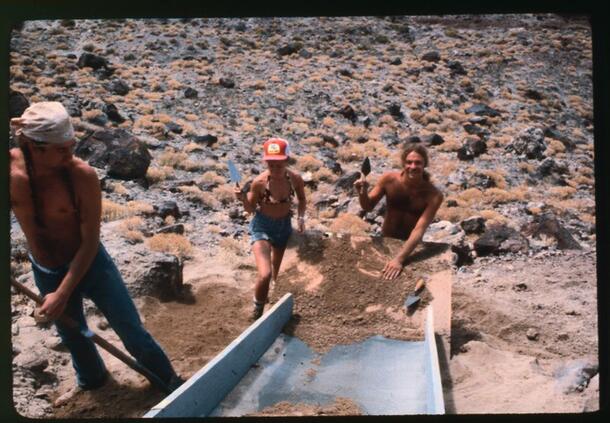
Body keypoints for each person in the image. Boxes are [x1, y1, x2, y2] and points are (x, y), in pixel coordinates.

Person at [9, 102, 182, 403]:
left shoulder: (82, 176)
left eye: (71, 146)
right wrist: (57, 289)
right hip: (46, 269)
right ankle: (92, 381)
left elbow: (90, 241)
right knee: (73, 336)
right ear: (32, 146)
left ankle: (168, 381)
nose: (70, 155)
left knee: (130, 329)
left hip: (91, 263)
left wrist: (62, 293)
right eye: (61, 150)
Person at [234, 138, 307, 320]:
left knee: (277, 275)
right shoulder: (259, 183)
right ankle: (257, 311)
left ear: (286, 161)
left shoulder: (295, 179)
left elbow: (302, 200)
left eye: (278, 165)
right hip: (262, 227)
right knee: (265, 274)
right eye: (270, 165)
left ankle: (272, 304)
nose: (274, 169)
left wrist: (301, 218)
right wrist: (242, 198)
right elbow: (250, 209)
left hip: (283, 227)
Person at [354, 143, 443, 280]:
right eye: (409, 162)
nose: (413, 167)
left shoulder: (433, 195)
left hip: (410, 245)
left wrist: (399, 259)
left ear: (425, 164)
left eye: (418, 163)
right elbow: (368, 206)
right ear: (403, 163)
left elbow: (419, 229)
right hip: (386, 238)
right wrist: (362, 192)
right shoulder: (389, 180)